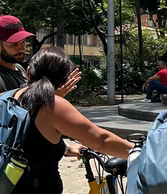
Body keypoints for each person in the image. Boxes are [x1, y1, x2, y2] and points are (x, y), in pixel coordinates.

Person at [11, 47, 134, 193]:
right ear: (64, 81)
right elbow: (102, 141)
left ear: (28, 72)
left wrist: (67, 148)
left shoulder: (4, 97)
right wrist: (140, 151)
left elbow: (27, 141)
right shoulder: (53, 106)